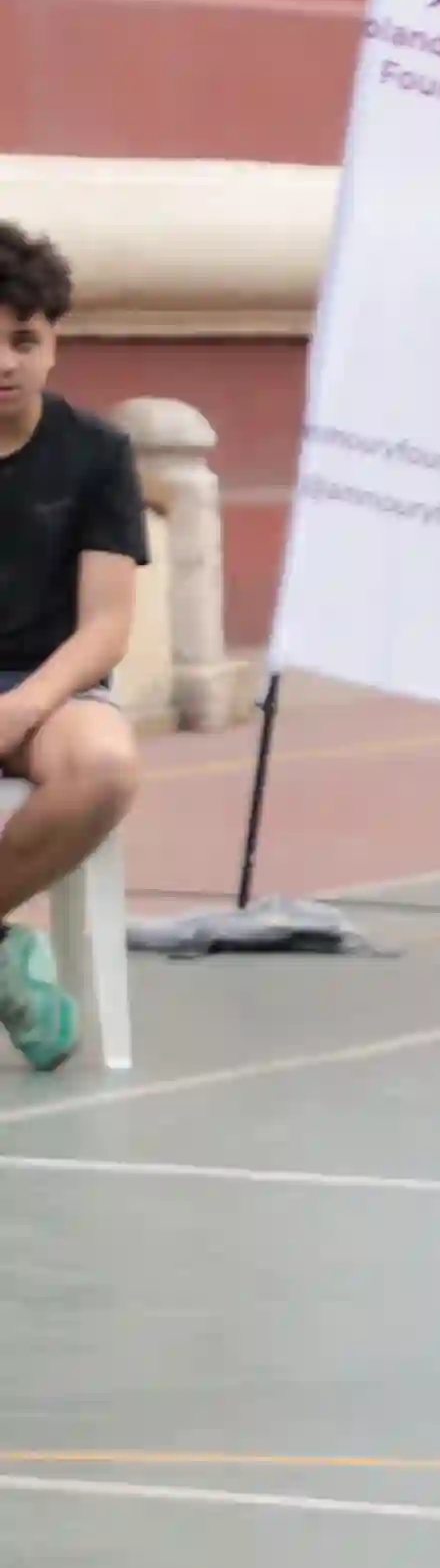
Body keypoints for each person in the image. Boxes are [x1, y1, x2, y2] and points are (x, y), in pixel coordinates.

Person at [0, 225, 145, 1074]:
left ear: (53, 343)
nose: (5, 362)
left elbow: (106, 626)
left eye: (24, 339)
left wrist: (24, 704)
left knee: (105, 767)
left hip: (52, 693)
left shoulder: (98, 454)